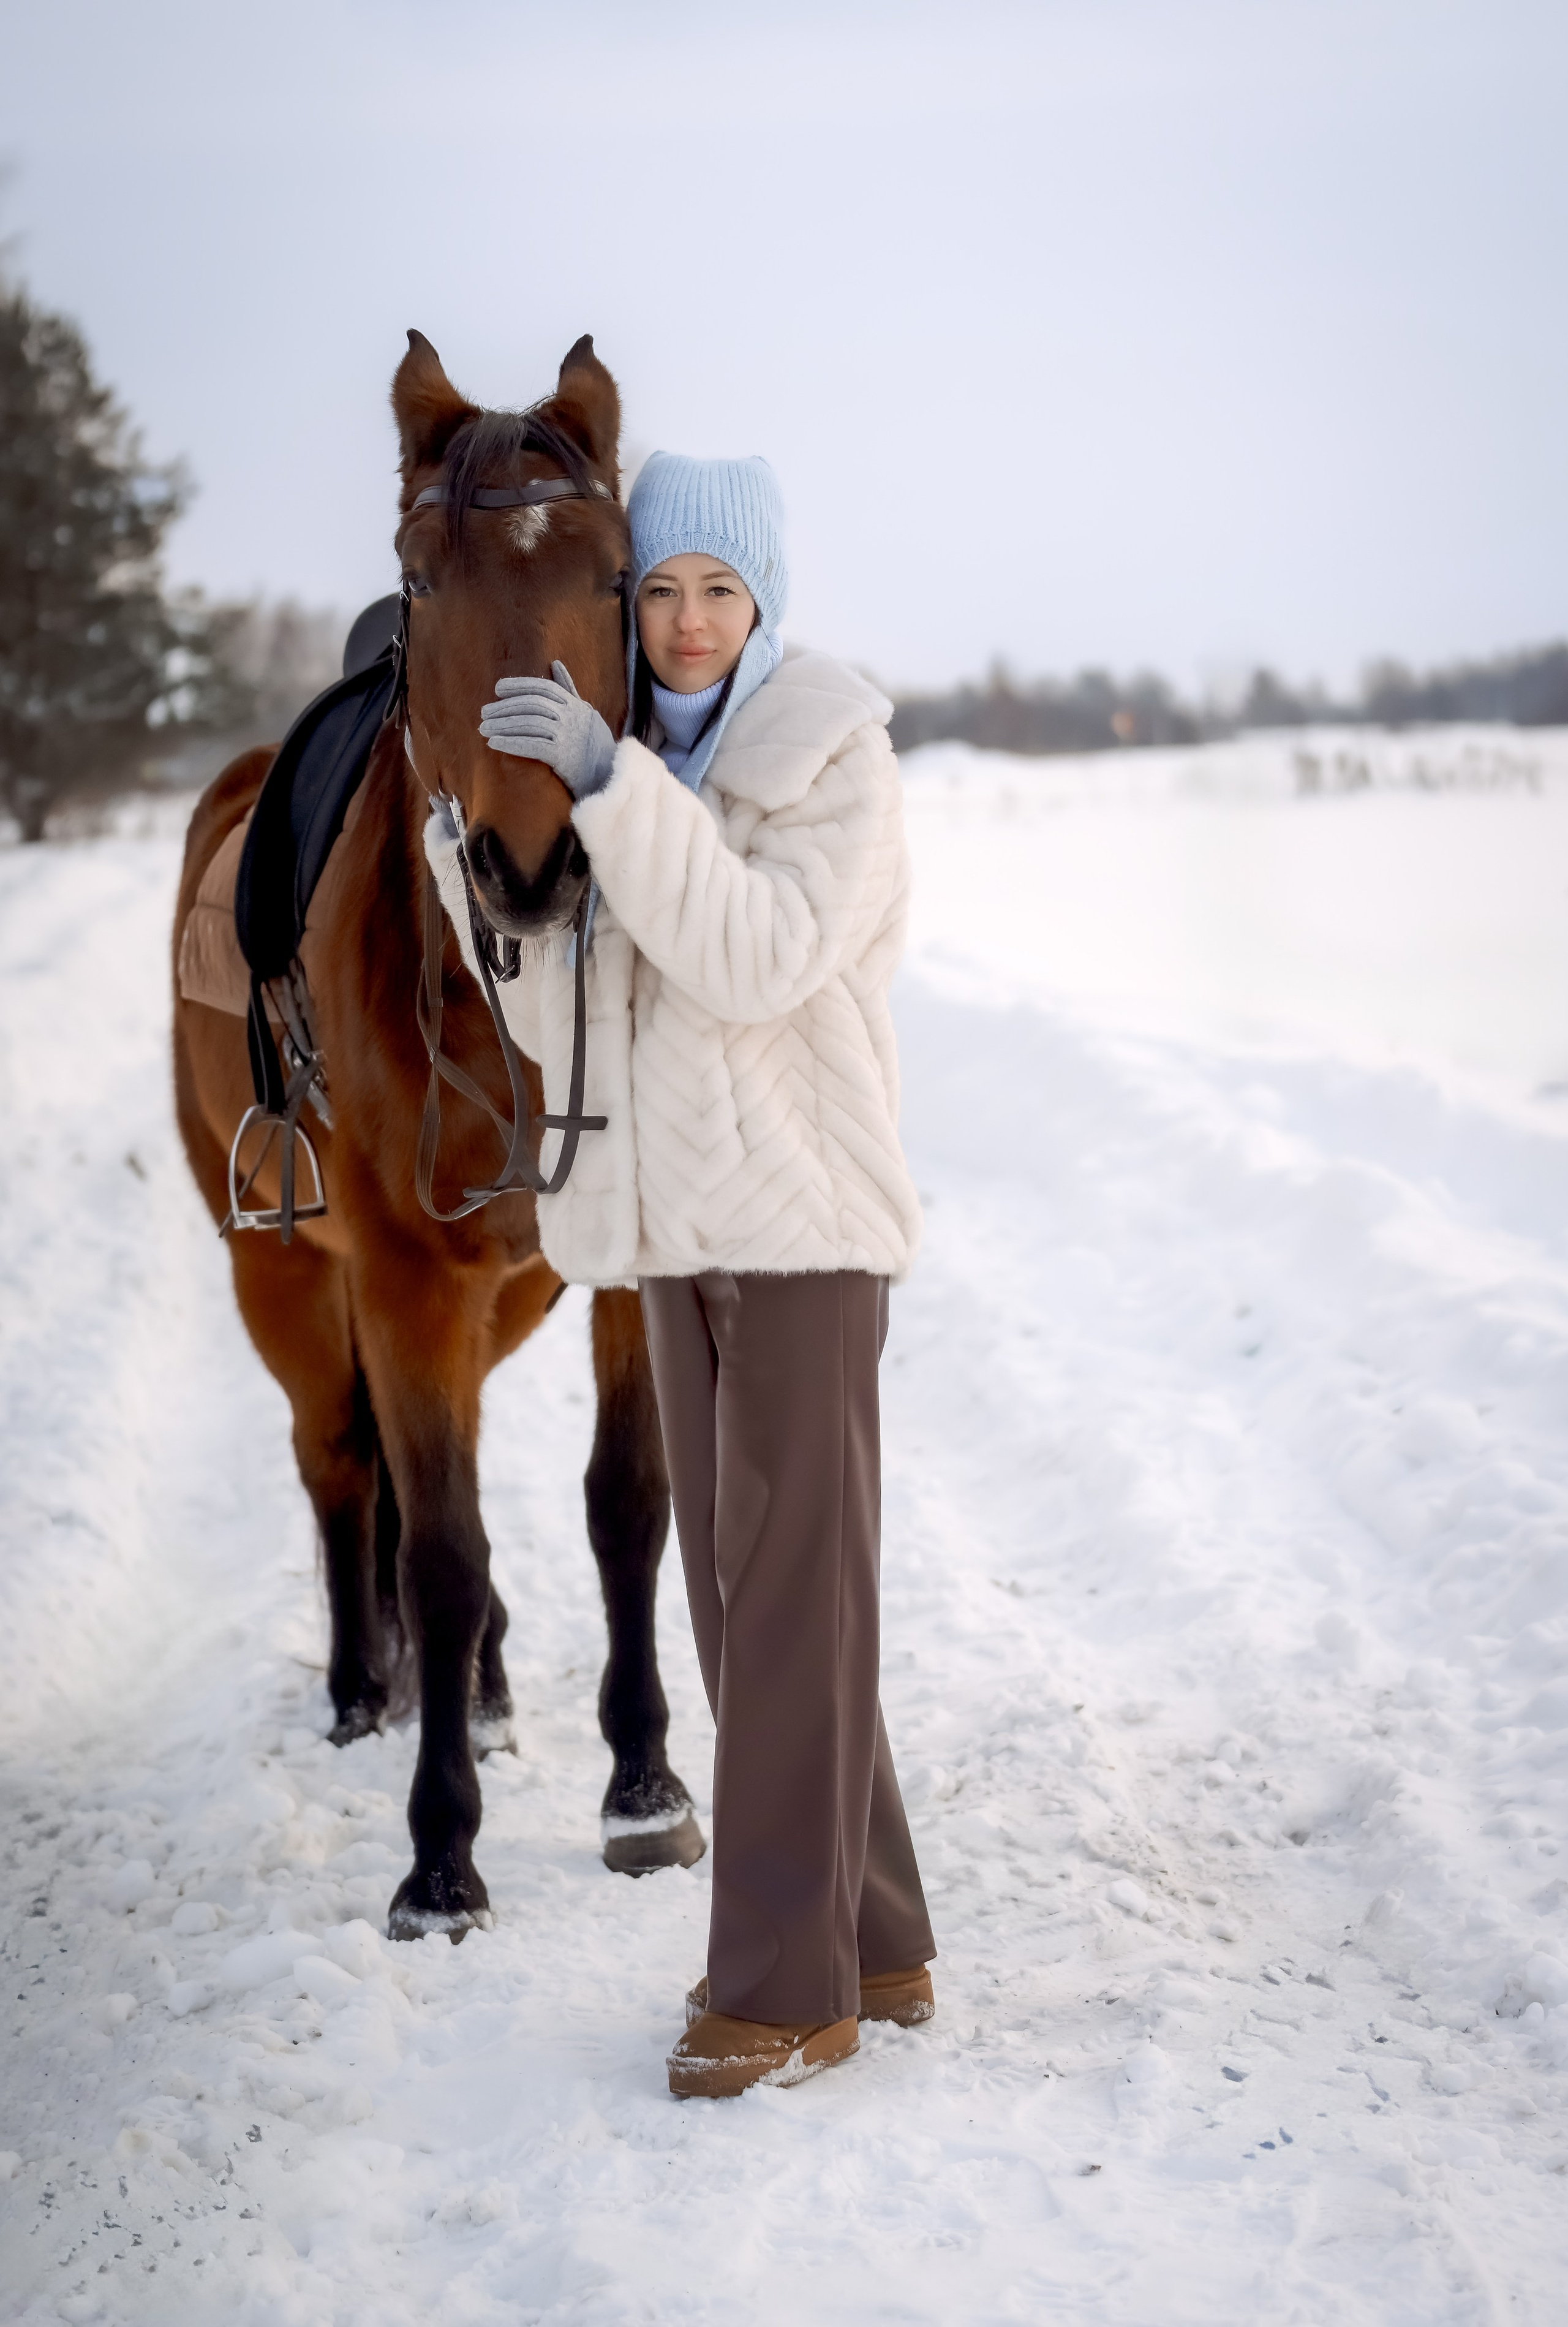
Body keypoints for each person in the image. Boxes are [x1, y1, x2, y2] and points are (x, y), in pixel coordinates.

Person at [434, 452, 935, 2098]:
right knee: (749, 1617)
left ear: (767, 599)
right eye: (661, 591)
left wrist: (611, 792)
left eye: (721, 589)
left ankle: (787, 1990)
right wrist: (474, 864)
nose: (692, 621)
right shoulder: (634, 766)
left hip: (800, 1232)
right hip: (676, 1236)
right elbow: (570, 1026)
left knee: (789, 1608)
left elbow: (751, 960)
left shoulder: (828, 760)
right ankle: (879, 1937)